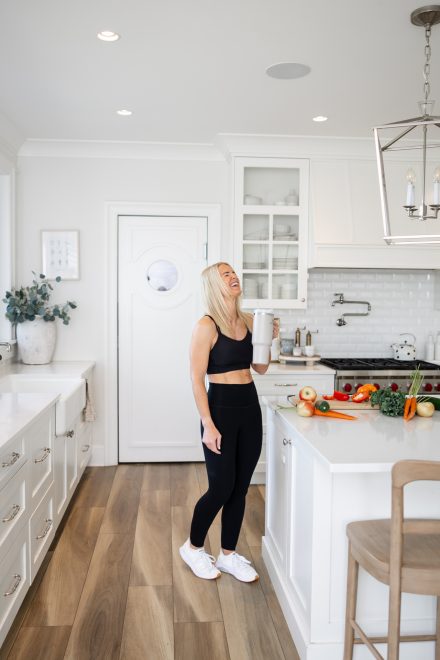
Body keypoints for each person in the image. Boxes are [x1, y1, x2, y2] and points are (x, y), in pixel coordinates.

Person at [179, 262, 273, 582]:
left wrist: (266, 340)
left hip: (249, 407)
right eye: (225, 275)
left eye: (233, 273)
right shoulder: (206, 325)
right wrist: (208, 423)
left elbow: (260, 368)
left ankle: (229, 555)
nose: (233, 277)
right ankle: (192, 548)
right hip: (220, 408)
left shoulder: (248, 321)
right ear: (213, 286)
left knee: (240, 488)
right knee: (221, 487)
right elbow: (195, 378)